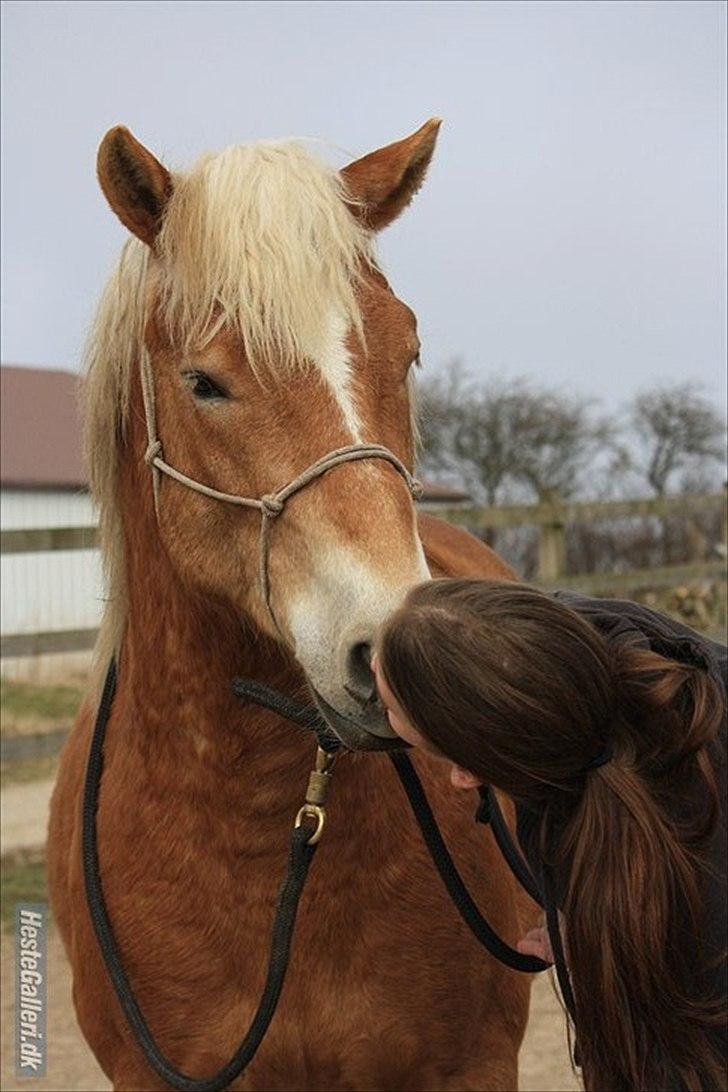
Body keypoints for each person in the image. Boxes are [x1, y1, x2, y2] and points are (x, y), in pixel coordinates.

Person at [372, 578, 727, 1092]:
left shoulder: (675, 953)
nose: (375, 669)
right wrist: (575, 907)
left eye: (390, 710)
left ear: (467, 774)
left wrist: (598, 923)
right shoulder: (597, 671)